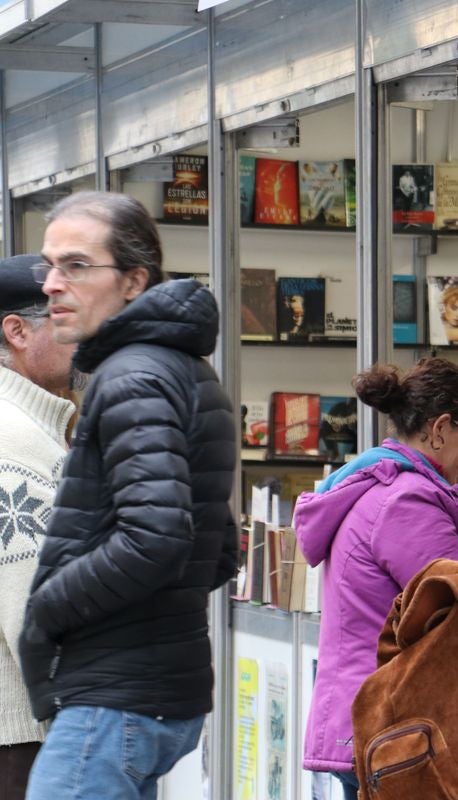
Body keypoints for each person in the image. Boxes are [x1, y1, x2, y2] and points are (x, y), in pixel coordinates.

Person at [18, 191, 237, 799]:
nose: (53, 285)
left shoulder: (134, 375)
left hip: (114, 699)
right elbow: (218, 547)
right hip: (147, 690)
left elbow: (157, 536)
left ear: (134, 280)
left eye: (77, 266)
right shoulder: (179, 369)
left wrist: (46, 611)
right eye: (49, 266)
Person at [295, 358, 458, 800]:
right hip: (395, 724)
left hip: (373, 717)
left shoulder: (379, 487)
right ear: (441, 429)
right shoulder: (408, 503)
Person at [0, 255, 79, 799]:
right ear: (16, 331)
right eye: (65, 320)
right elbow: (28, 607)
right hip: (23, 739)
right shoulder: (15, 439)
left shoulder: (34, 426)